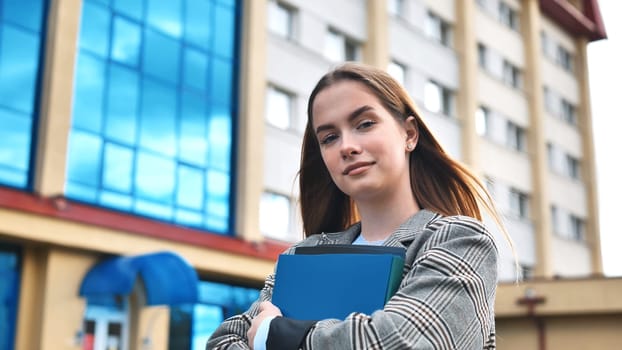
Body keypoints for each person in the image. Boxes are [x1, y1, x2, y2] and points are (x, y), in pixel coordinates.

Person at [207, 62, 511, 349]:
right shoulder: (303, 255)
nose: (346, 146)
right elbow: (223, 340)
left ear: (409, 133)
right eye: (329, 138)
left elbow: (404, 341)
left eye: (364, 124)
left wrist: (275, 335)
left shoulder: (460, 240)